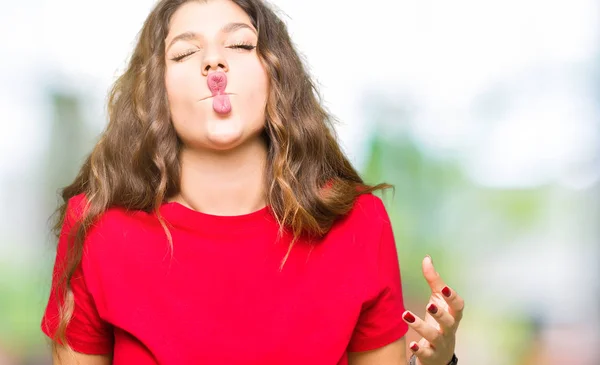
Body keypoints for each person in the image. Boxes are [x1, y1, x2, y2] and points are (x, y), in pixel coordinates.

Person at [41, 0, 465, 364]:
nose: (213, 62)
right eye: (186, 53)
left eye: (240, 44)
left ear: (274, 74)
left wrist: (439, 361)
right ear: (157, 90)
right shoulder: (97, 225)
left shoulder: (358, 222)